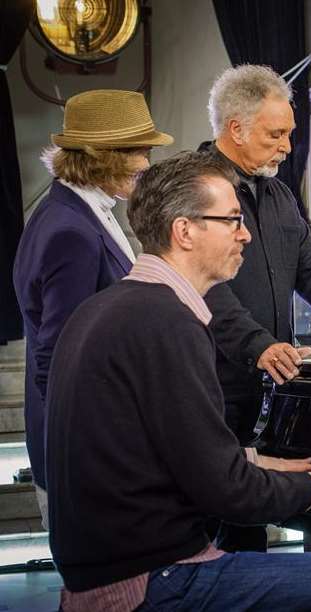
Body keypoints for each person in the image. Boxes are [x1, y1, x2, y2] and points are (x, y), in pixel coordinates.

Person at [44, 151, 311, 612]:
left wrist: (260, 460)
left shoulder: (106, 310)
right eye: (232, 220)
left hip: (100, 576)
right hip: (158, 580)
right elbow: (231, 494)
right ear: (184, 231)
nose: (246, 235)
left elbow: (163, 453)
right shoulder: (169, 323)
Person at [202, 65, 311, 550]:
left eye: (288, 134)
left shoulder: (277, 192)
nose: (286, 147)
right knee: (216, 533)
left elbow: (308, 262)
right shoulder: (194, 187)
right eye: (275, 134)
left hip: (269, 385)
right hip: (212, 383)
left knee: (250, 529)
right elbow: (201, 284)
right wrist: (257, 343)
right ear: (235, 129)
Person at [12, 89, 172, 528]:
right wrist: (93, 451)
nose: (146, 163)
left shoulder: (67, 212)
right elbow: (57, 356)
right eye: (140, 151)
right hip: (83, 453)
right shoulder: (71, 230)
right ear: (105, 157)